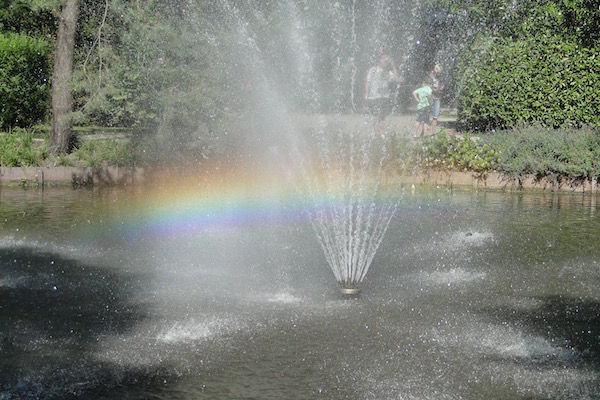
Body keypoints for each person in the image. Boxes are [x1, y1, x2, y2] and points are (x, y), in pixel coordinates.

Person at [364, 55, 401, 131]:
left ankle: (381, 134)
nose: (386, 63)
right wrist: (366, 95)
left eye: (387, 62)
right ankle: (373, 133)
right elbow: (368, 82)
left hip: (385, 97)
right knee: (375, 116)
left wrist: (393, 65)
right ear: (380, 60)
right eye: (385, 61)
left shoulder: (388, 72)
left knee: (382, 117)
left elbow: (397, 80)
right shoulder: (373, 70)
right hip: (374, 97)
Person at [429, 64, 444, 135]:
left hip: (437, 99)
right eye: (435, 69)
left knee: (435, 117)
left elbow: (442, 87)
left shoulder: (441, 79)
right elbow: (426, 85)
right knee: (425, 115)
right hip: (430, 98)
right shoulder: (430, 78)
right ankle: (424, 132)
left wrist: (439, 88)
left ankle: (433, 133)